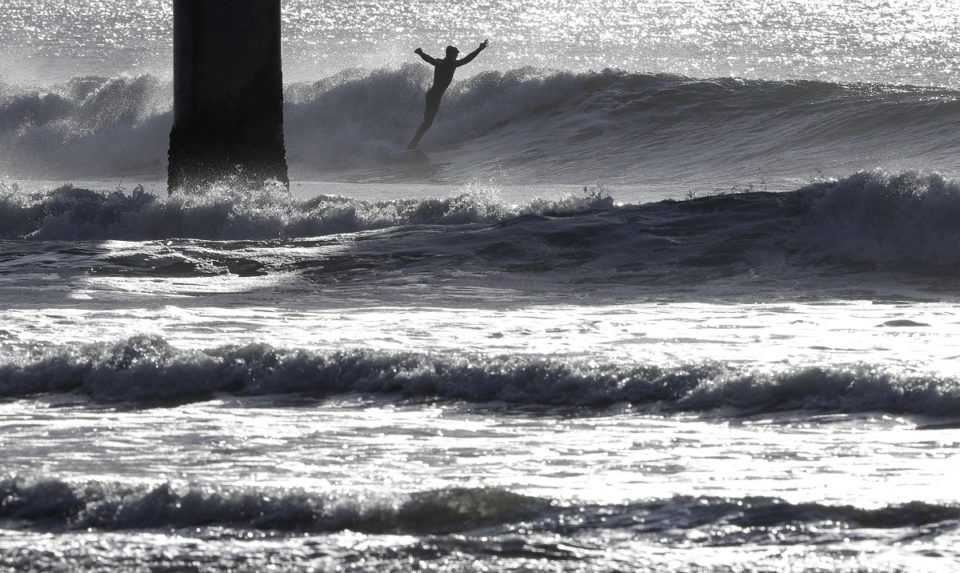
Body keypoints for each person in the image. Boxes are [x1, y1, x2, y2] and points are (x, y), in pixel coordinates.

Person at [408, 40, 489, 150]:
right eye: (456, 54)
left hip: (432, 95)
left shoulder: (443, 63)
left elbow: (430, 59)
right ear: (451, 54)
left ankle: (412, 144)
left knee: (427, 123)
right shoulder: (449, 64)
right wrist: (479, 49)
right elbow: (467, 59)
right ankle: (412, 145)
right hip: (434, 97)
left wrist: (421, 53)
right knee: (427, 123)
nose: (457, 56)